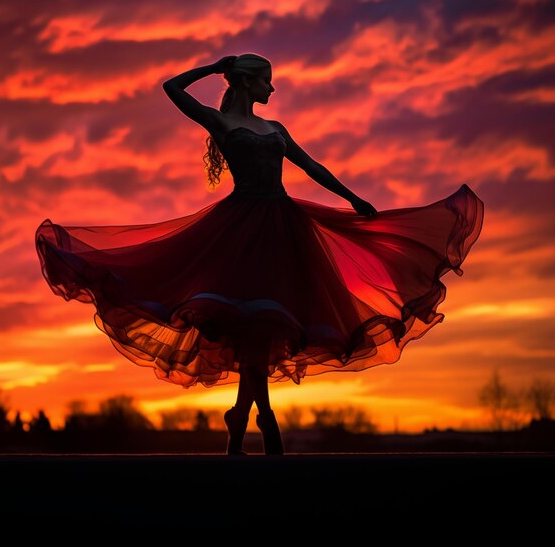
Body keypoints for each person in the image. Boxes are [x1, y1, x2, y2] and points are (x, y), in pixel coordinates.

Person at [35, 53, 484, 455]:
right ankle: (265, 421)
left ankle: (240, 419)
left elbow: (311, 167)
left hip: (284, 227)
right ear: (249, 83)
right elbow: (172, 88)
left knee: (265, 328)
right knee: (252, 327)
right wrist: (214, 67)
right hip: (240, 230)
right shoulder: (222, 123)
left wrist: (352, 199)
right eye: (267, 80)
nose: (273, 88)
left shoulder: (275, 129)